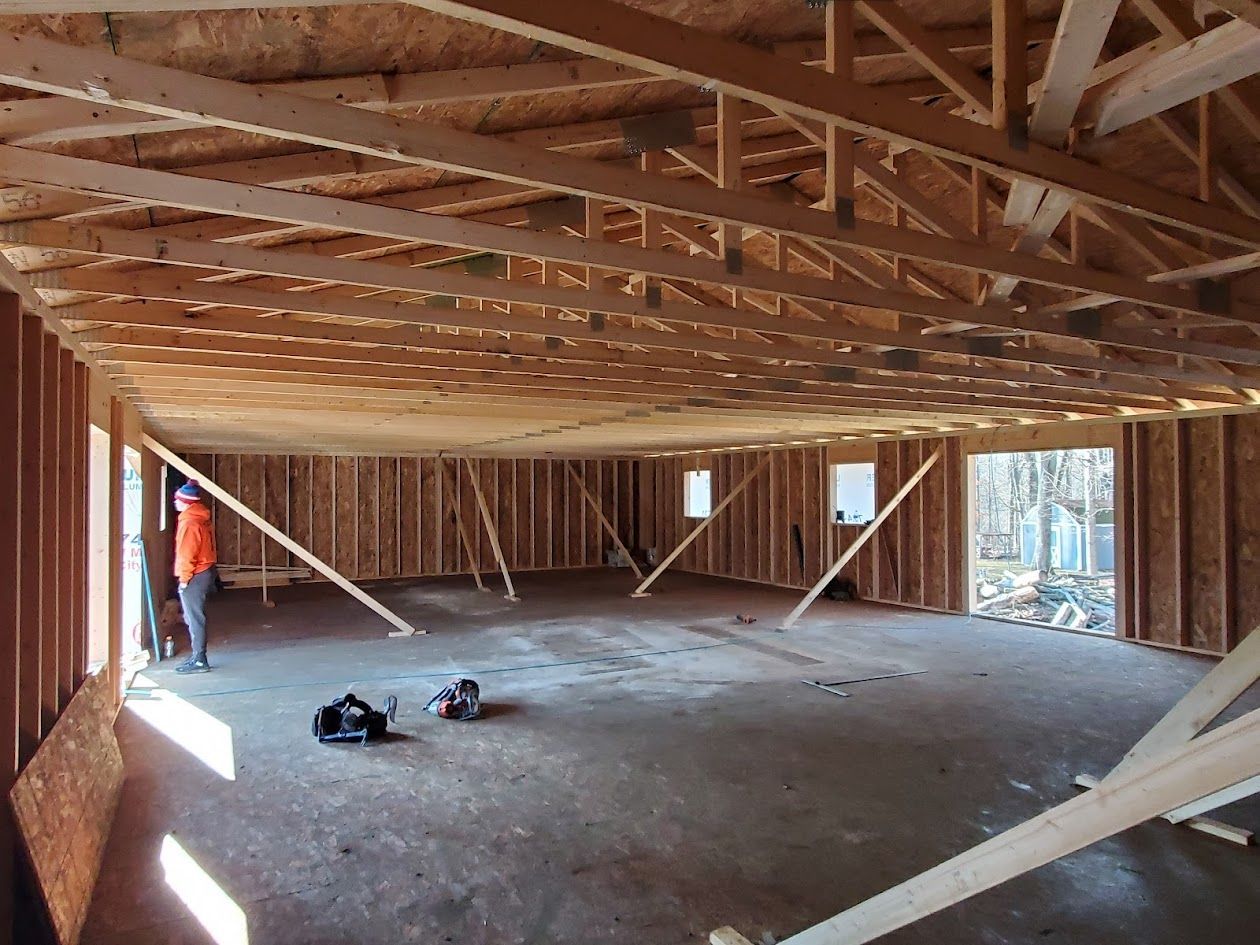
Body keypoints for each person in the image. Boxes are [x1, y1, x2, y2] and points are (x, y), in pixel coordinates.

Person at [173, 480, 218, 674]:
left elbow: (187, 554)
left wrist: (184, 580)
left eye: (177, 500)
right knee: (195, 616)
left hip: (195, 574)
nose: (175, 502)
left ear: (185, 502)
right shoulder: (200, 517)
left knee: (194, 617)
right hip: (204, 570)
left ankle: (199, 659)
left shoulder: (189, 523)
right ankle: (197, 655)